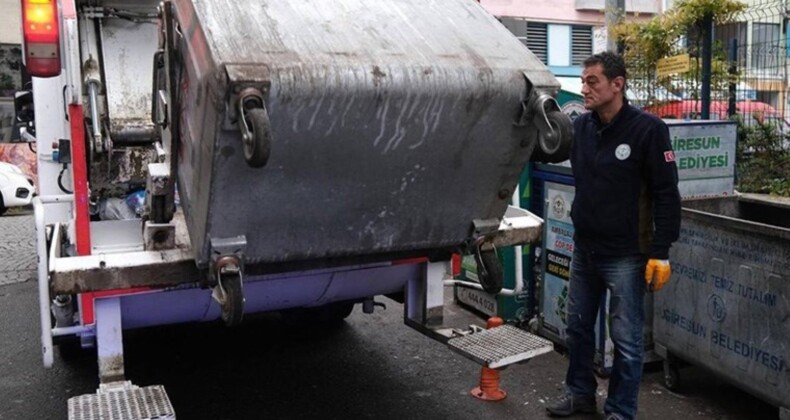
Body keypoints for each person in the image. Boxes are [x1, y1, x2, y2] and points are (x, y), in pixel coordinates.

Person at [546, 52, 681, 420]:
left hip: (626, 254)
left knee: (626, 341)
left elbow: (668, 194)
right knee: (576, 330)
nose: (584, 88)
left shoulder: (648, 130)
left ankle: (621, 410)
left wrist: (661, 251)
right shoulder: (583, 128)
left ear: (617, 84)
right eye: (583, 81)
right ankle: (580, 396)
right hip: (585, 249)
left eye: (593, 81)